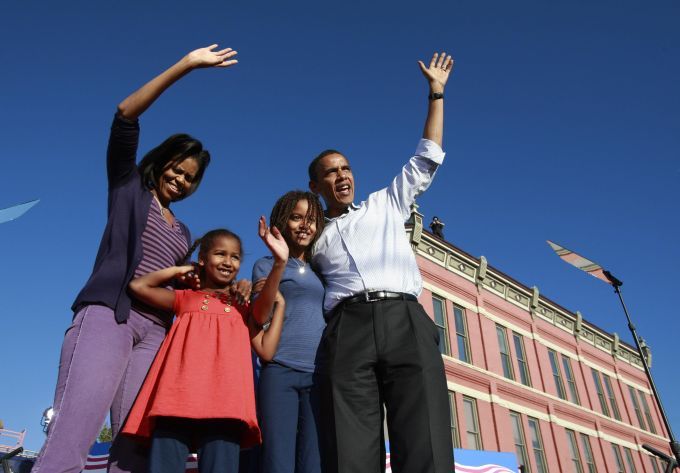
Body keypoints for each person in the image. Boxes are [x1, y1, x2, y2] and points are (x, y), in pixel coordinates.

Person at [32, 45, 239, 473]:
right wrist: (186, 65)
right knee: (75, 426)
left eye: (189, 178)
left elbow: (192, 292)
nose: (179, 180)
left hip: (154, 333)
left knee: (133, 444)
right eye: (176, 170)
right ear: (161, 162)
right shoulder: (128, 189)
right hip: (110, 316)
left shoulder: (184, 233)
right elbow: (126, 114)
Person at [308, 51, 455, 473]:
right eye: (331, 172)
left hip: (404, 317)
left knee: (425, 439)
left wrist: (436, 93)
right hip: (347, 328)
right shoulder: (313, 237)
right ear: (316, 185)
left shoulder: (386, 203)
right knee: (350, 450)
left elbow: (427, 155)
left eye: (346, 168)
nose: (342, 176)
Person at [121, 228, 286, 473]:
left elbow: (265, 339)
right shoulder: (186, 298)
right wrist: (180, 270)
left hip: (225, 405)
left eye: (235, 257)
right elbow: (138, 286)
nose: (228, 262)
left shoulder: (243, 305)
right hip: (176, 399)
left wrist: (279, 265)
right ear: (202, 259)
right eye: (220, 254)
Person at [251, 191, 326, 473]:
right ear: (283, 221)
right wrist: (280, 263)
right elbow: (260, 315)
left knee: (313, 464)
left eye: (311, 220)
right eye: (296, 217)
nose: (305, 225)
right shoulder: (266, 265)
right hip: (279, 371)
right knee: (277, 461)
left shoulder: (323, 270)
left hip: (318, 375)